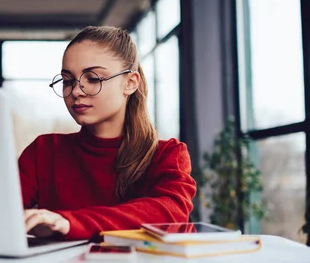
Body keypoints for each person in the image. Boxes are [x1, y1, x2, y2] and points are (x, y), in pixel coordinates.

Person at [19, 26, 196, 241]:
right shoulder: (44, 152)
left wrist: (70, 223)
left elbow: (169, 215)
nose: (76, 91)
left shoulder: (167, 155)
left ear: (130, 83)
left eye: (93, 78)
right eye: (67, 80)